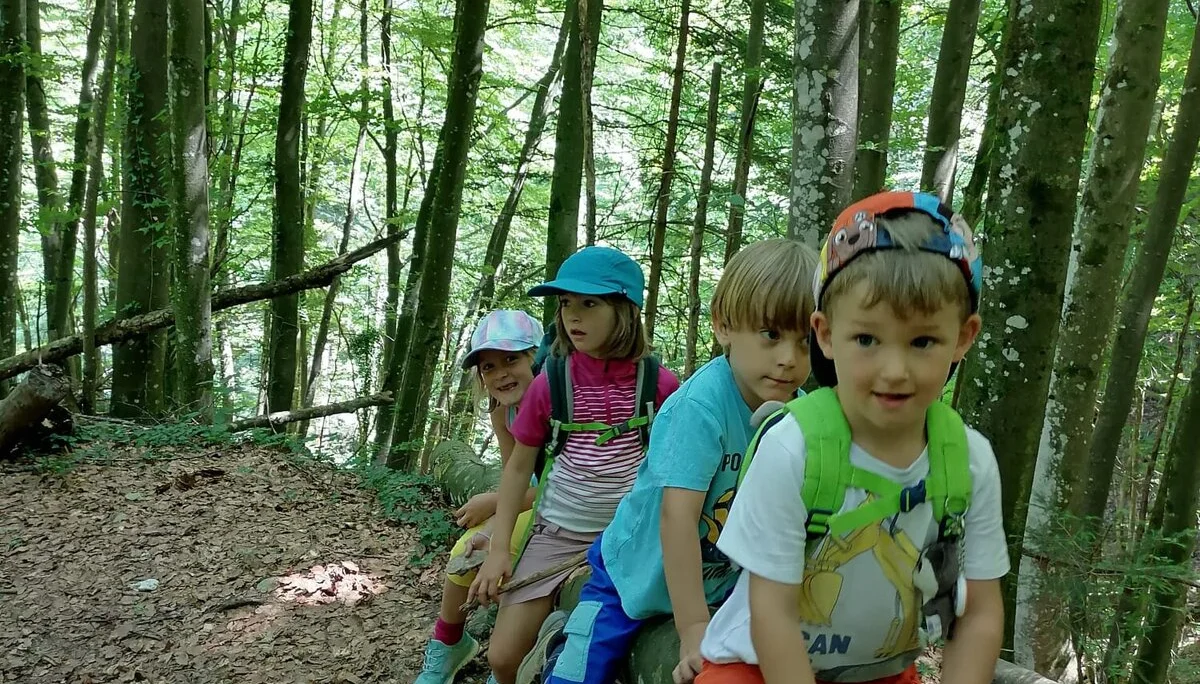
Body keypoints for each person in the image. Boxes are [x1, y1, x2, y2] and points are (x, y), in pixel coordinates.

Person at [697, 191, 1009, 684]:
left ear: (963, 337)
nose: (894, 370)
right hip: (755, 667)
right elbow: (771, 613)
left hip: (881, 672)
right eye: (866, 339)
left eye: (923, 341)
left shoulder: (969, 460)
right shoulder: (794, 448)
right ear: (825, 333)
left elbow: (980, 613)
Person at [541, 238, 820, 684]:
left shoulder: (801, 416)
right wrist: (693, 630)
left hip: (721, 585)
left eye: (805, 341)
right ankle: (564, 643)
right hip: (635, 575)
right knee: (578, 676)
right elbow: (677, 517)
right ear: (724, 326)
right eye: (770, 334)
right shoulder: (702, 406)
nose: (788, 359)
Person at [467, 245, 681, 684]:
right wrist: (501, 550)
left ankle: (560, 645)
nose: (573, 316)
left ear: (625, 309)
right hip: (557, 534)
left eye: (589, 303)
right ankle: (546, 645)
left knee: (614, 646)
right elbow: (515, 469)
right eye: (566, 304)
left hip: (627, 538)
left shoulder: (658, 384)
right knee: (502, 658)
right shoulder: (553, 382)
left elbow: (679, 467)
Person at [415, 309, 545, 684]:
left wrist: (492, 503)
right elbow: (514, 476)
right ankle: (449, 641)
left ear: (536, 358)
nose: (501, 373)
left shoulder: (560, 408)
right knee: (467, 551)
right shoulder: (504, 414)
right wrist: (496, 508)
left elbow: (563, 486)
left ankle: (509, 660)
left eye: (511, 359)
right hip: (530, 504)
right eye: (488, 367)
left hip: (563, 510)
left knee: (501, 554)